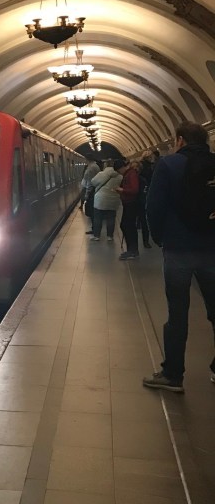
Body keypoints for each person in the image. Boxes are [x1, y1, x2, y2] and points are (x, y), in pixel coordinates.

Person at [142, 121, 215, 392]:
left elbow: (154, 206)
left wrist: (160, 238)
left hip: (178, 250)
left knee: (178, 314)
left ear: (180, 140)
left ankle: (172, 375)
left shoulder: (169, 164)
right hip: (211, 248)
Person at [89, 158, 127, 241]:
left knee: (98, 218)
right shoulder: (120, 176)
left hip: (100, 199)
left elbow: (93, 182)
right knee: (111, 218)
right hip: (114, 198)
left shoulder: (102, 174)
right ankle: (110, 236)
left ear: (106, 165)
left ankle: (97, 236)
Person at [116, 159, 140, 260]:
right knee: (126, 225)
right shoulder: (128, 174)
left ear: (122, 167)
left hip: (131, 203)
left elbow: (134, 189)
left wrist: (122, 190)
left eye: (118, 170)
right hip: (128, 203)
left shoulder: (131, 174)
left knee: (128, 226)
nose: (119, 173)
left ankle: (133, 250)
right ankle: (131, 249)